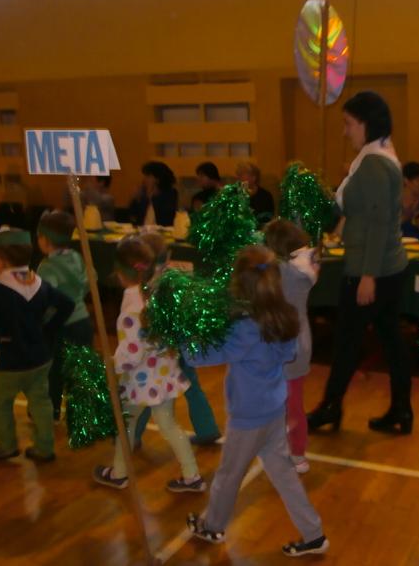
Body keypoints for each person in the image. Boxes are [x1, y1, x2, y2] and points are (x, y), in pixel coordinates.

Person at [185, 245, 329, 557]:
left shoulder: (243, 330)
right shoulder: (284, 316)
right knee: (284, 474)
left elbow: (197, 357)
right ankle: (314, 534)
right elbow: (289, 354)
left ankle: (212, 526)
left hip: (248, 418)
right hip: (275, 410)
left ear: (242, 288)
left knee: (228, 475)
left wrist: (182, 335)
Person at [307, 91, 413, 435]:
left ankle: (331, 407)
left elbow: (379, 223)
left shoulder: (373, 165)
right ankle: (400, 410)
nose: (345, 131)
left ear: (366, 124)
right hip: (386, 267)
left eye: (348, 124)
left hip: (372, 269)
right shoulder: (377, 157)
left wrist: (368, 275)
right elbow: (362, 214)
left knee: (347, 342)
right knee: (390, 340)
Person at [92, 236, 203, 492]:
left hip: (141, 380)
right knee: (168, 425)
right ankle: (192, 475)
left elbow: (132, 353)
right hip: (162, 374)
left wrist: (112, 364)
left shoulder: (132, 309)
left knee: (126, 424)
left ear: (120, 273)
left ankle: (119, 473)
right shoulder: (156, 293)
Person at [0, 229, 74, 462]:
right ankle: (44, 448)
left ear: (1, 260)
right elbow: (67, 304)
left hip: (10, 361)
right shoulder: (39, 283)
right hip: (40, 358)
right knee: (41, 403)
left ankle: (6, 446)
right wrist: (48, 329)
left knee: (0, 403)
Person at [132, 231, 222, 448]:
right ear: (169, 255)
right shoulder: (176, 279)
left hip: (161, 349)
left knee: (146, 391)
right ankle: (207, 429)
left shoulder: (145, 286)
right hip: (182, 343)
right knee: (192, 386)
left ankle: (132, 437)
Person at [264, 219, 320, 474]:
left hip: (283, 344)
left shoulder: (282, 272)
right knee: (295, 402)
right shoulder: (305, 268)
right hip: (300, 342)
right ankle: (298, 453)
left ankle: (286, 450)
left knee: (280, 405)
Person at [36, 211, 94, 420]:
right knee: (79, 369)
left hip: (61, 326)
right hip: (83, 321)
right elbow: (90, 280)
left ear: (45, 239)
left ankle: (51, 410)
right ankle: (81, 413)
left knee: (54, 370)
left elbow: (45, 300)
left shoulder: (47, 267)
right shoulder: (77, 257)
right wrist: (77, 297)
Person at [129, 161, 178, 227]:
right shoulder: (143, 194)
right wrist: (135, 199)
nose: (144, 179)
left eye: (148, 176)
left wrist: (152, 197)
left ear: (157, 179)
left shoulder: (170, 194)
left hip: (163, 231)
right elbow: (133, 218)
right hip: (143, 231)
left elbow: (166, 219)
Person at [236, 161, 275, 226]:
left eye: (241, 175)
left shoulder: (265, 196)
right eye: (238, 175)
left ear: (253, 178)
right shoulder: (235, 194)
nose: (238, 178)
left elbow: (267, 218)